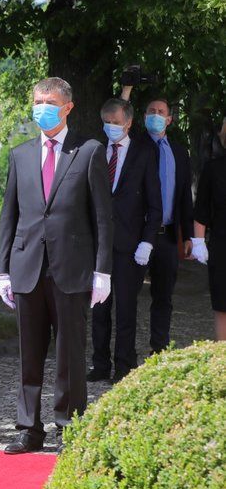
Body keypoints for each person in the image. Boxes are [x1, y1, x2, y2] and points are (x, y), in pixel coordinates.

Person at [0, 77, 113, 455]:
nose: (41, 107)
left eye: (49, 100)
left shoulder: (90, 151)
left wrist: (102, 270)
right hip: (27, 265)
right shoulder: (21, 154)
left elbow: (102, 218)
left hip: (72, 267)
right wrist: (2, 270)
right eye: (36, 100)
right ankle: (29, 428)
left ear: (67, 107)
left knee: (69, 354)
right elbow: (8, 218)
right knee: (29, 354)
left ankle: (68, 426)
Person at [88, 99, 162, 383]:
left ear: (129, 122)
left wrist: (148, 240)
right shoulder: (95, 150)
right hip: (97, 243)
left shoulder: (144, 153)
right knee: (99, 307)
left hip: (130, 244)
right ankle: (100, 364)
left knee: (126, 308)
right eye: (106, 121)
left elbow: (155, 202)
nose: (111, 127)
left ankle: (124, 365)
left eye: (116, 122)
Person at [121, 84, 197, 353]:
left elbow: (184, 197)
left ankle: (159, 350)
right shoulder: (135, 146)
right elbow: (119, 119)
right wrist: (126, 93)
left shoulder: (179, 152)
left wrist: (189, 236)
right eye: (151, 111)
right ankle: (125, 356)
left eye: (160, 112)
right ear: (143, 117)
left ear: (169, 119)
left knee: (163, 297)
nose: (155, 115)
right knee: (128, 297)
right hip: (137, 235)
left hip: (166, 236)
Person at [193, 138, 226, 340]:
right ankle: (223, 362)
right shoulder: (213, 169)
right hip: (222, 246)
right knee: (223, 306)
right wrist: (198, 242)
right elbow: (202, 208)